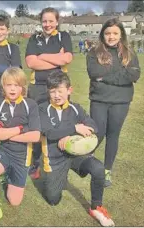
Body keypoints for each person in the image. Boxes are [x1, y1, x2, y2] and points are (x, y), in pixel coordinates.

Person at [39, 71, 115, 227]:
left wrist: (70, 137)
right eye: (52, 91)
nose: (56, 95)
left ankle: (96, 207)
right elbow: (48, 132)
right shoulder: (42, 109)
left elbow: (94, 126)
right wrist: (74, 128)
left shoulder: (76, 108)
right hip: (55, 158)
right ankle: (56, 177)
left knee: (98, 168)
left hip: (76, 156)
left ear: (69, 90)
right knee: (53, 199)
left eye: (60, 90)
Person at [0, 67, 41, 220]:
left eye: (17, 85)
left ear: (22, 87)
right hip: (3, 150)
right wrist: (21, 129)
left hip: (22, 157)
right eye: (8, 85)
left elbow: (35, 136)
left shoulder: (31, 105)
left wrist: (7, 133)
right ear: (3, 87)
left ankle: (7, 175)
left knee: (14, 201)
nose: (13, 89)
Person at [86, 18, 140, 187]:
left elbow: (133, 75)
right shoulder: (94, 52)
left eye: (115, 33)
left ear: (121, 34)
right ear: (103, 34)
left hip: (121, 101)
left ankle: (107, 171)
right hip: (99, 99)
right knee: (98, 132)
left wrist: (105, 77)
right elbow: (94, 73)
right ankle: (86, 161)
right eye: (108, 33)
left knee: (113, 135)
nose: (111, 37)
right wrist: (119, 74)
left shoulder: (129, 53)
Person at [25, 7, 73, 180]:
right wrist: (54, 59)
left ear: (57, 21)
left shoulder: (64, 36)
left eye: (51, 21)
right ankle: (35, 163)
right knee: (37, 125)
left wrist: (42, 56)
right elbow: (31, 62)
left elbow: (66, 58)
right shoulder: (34, 38)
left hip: (58, 86)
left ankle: (60, 159)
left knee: (59, 123)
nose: (47, 24)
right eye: (44, 21)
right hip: (37, 87)